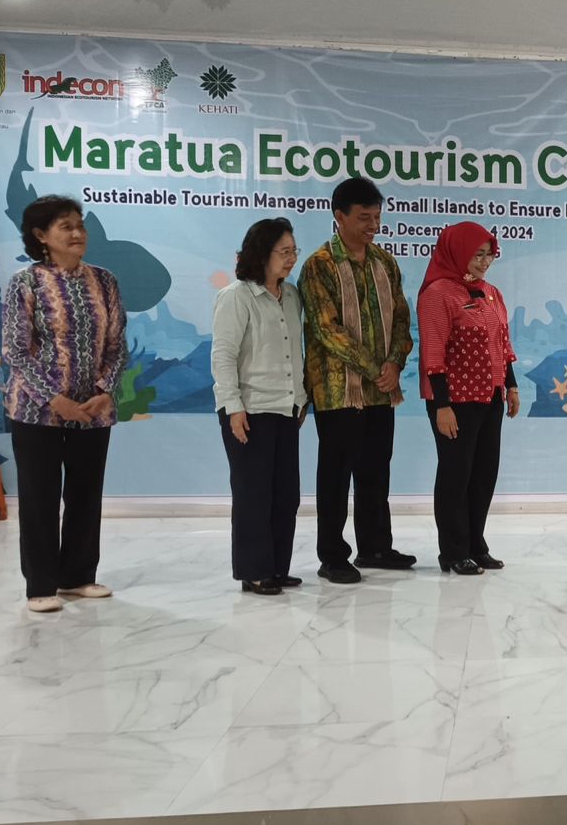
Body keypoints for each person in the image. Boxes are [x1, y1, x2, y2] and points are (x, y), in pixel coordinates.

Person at [3, 195, 126, 614]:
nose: (77, 233)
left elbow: (116, 344)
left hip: (94, 412)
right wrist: (55, 400)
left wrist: (106, 389)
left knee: (86, 495)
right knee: (39, 498)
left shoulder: (105, 281)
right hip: (37, 412)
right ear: (41, 235)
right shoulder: (26, 283)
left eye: (80, 225)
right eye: (66, 227)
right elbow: (16, 352)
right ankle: (40, 585)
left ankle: (77, 577)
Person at [300, 178, 416, 584]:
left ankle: (375, 547)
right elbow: (326, 329)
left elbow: (401, 319)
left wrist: (395, 363)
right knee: (335, 476)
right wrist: (374, 367)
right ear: (339, 216)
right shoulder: (319, 265)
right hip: (338, 391)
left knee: (376, 471)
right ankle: (332, 556)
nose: (373, 225)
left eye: (377, 217)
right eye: (364, 217)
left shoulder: (386, 262)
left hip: (381, 391)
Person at [416, 221, 519, 575]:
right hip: (454, 401)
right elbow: (433, 352)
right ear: (457, 252)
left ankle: (477, 545)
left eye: (489, 255)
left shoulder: (491, 293)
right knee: (455, 474)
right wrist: (442, 405)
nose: (485, 262)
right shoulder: (438, 293)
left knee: (484, 473)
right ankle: (453, 551)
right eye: (478, 255)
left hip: (489, 396)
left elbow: (503, 344)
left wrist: (511, 386)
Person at [212, 218, 307, 596]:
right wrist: (233, 407)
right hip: (249, 409)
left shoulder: (292, 295)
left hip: (286, 407)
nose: (291, 258)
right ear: (262, 254)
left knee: (286, 494)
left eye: (294, 251)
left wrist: (301, 397)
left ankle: (277, 568)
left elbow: (294, 350)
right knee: (253, 495)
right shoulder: (236, 296)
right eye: (284, 252)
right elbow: (223, 356)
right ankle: (254, 571)